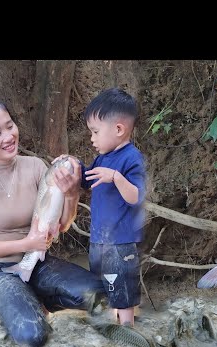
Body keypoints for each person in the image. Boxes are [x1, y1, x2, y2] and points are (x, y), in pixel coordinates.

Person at [0, 95, 97, 347]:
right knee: (32, 337)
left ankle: (33, 301)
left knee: (100, 297)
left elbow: (62, 224)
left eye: (10, 126)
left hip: (38, 263)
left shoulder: (35, 167)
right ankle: (18, 304)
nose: (9, 137)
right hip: (0, 271)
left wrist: (72, 193)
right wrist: (27, 242)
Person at [59, 88, 146, 327]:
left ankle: (127, 329)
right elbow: (86, 180)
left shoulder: (131, 158)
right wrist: (72, 165)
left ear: (119, 129)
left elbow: (136, 196)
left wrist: (116, 177)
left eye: (95, 132)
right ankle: (109, 327)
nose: (92, 139)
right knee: (103, 286)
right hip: (99, 241)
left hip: (120, 242)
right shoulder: (102, 159)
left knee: (123, 293)